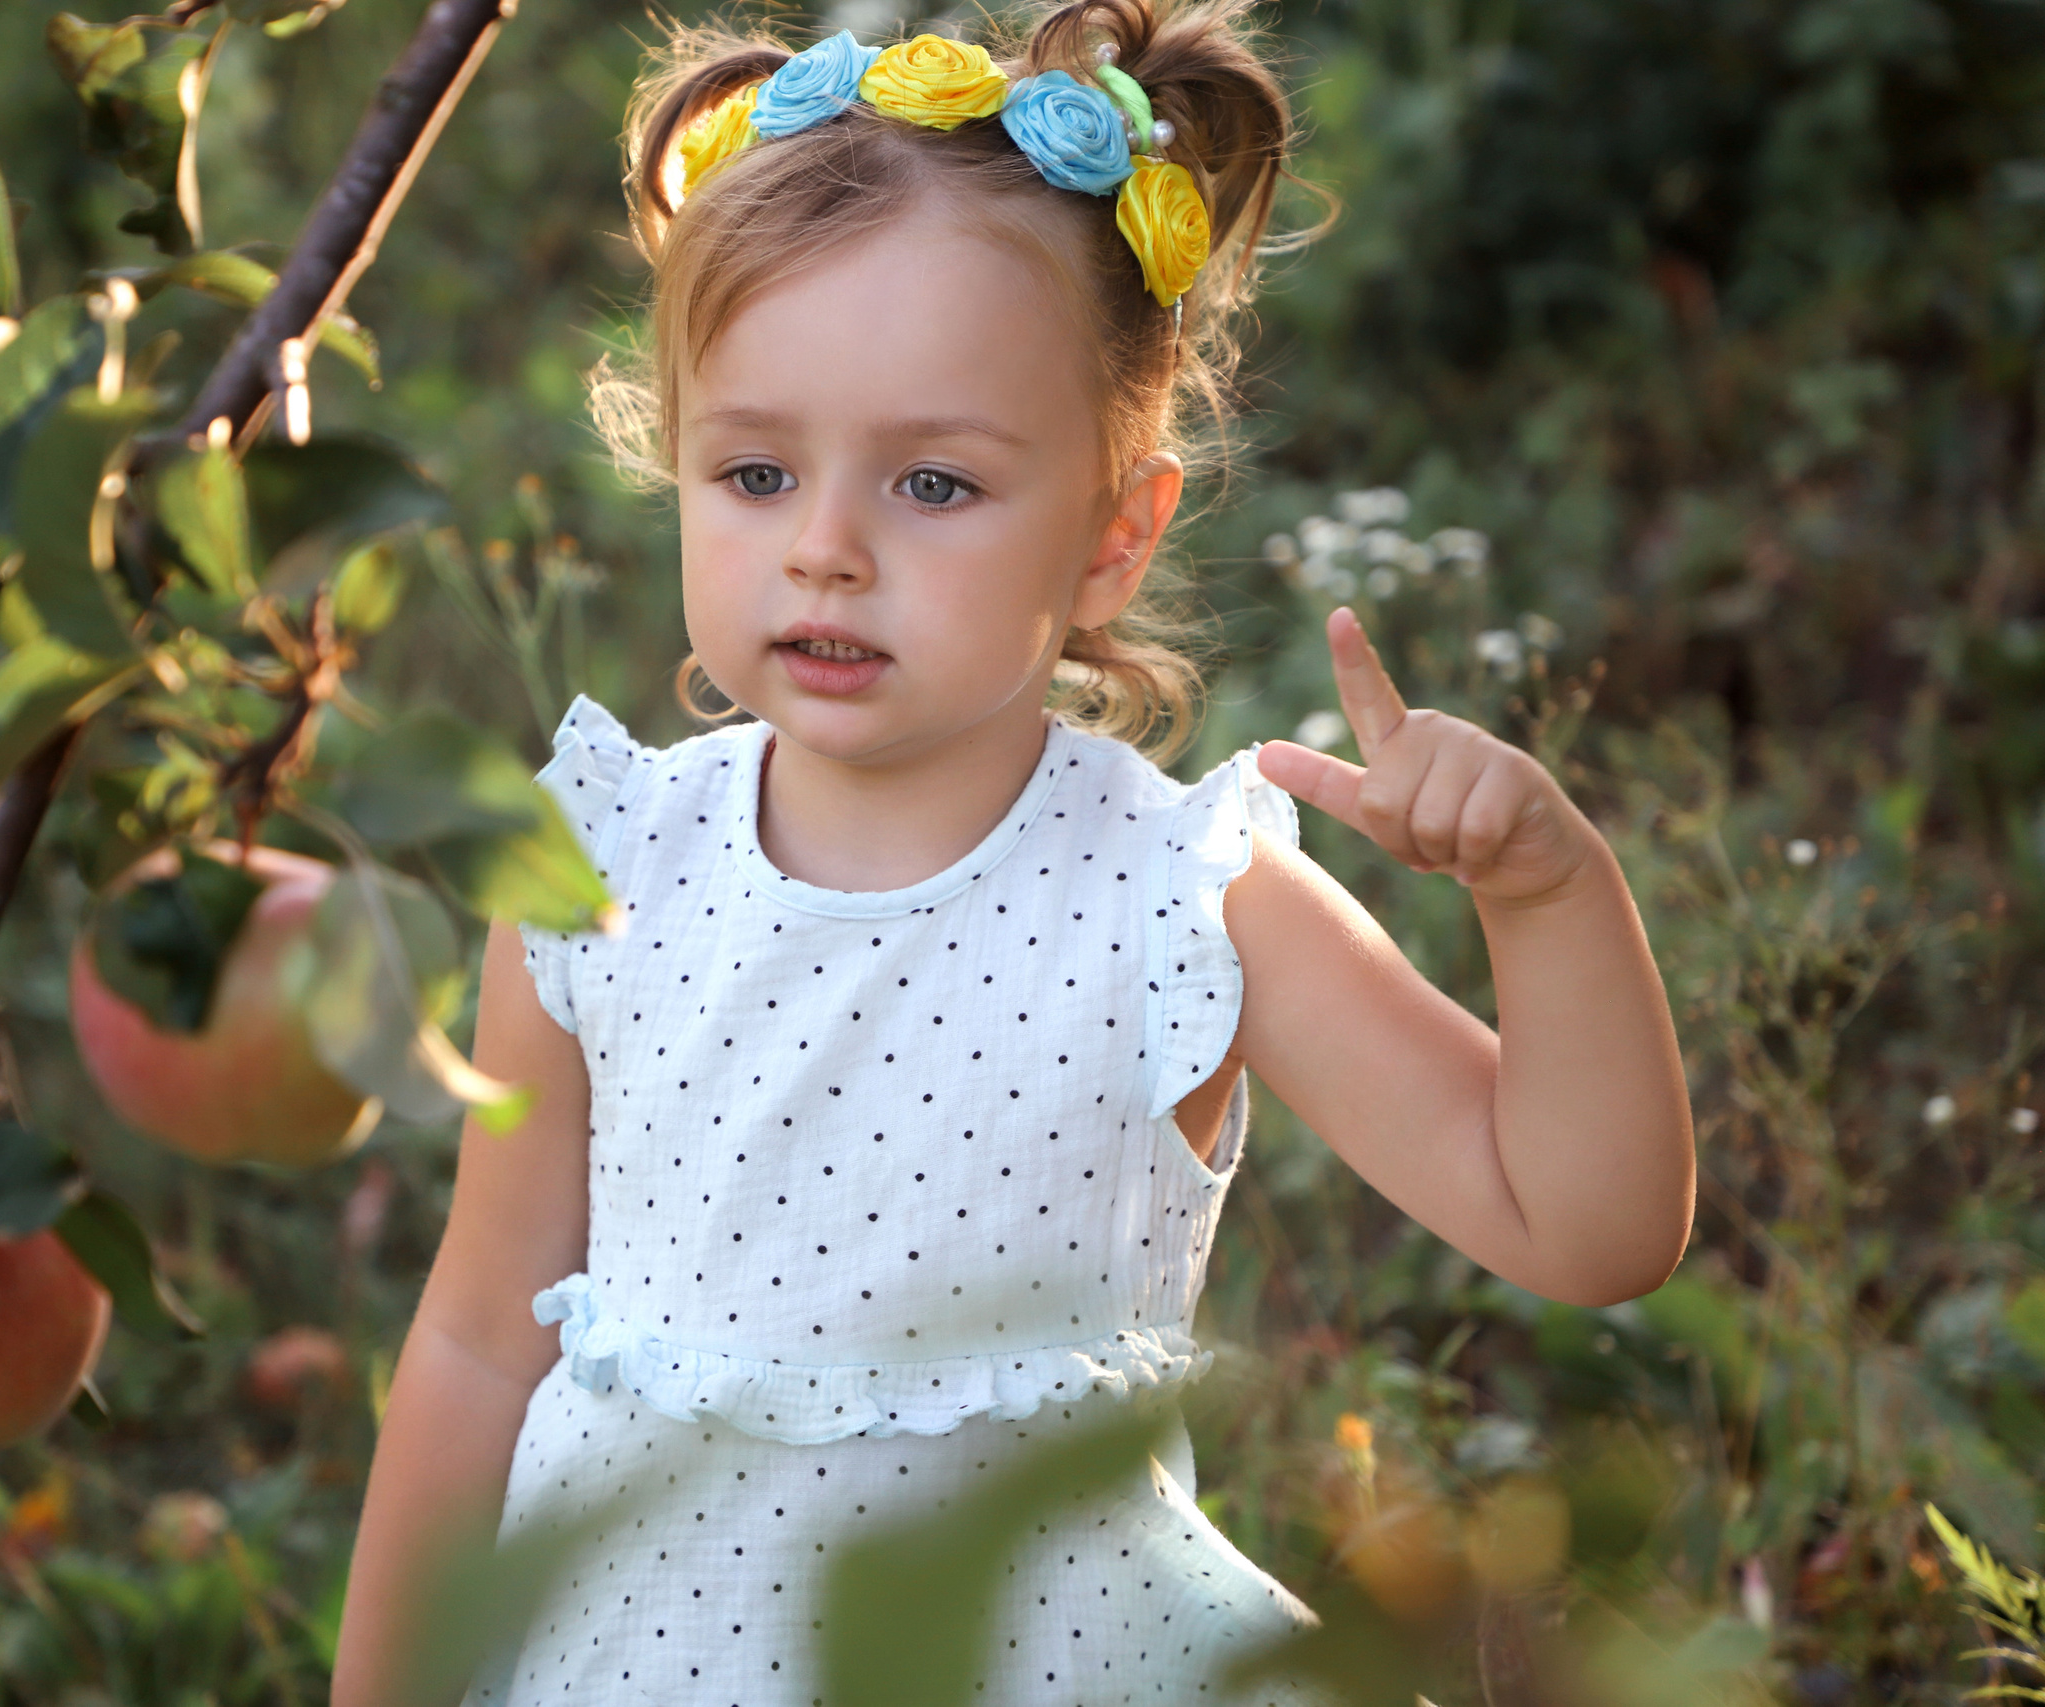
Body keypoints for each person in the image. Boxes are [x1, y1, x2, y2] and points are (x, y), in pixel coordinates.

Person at [327, 0, 1696, 1700]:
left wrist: (1549, 895)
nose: (824, 550)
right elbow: (474, 1343)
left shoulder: (1182, 900)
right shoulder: (602, 862)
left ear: (1115, 533)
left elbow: (1588, 1227)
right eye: (755, 471)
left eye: (936, 488)